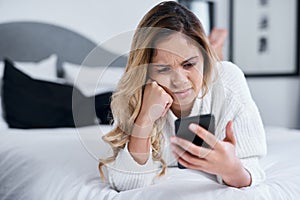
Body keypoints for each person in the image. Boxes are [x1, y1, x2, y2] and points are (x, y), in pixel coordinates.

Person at [99, 1, 266, 191]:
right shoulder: (133, 94)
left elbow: (252, 171)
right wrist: (144, 117)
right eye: (163, 69)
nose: (179, 81)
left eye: (188, 65)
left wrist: (232, 169)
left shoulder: (229, 80)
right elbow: (126, 183)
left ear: (204, 57)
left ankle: (215, 48)